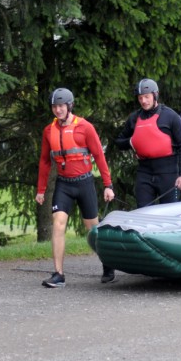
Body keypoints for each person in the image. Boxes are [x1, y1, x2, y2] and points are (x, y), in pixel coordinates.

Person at [36, 88, 116, 288]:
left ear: (69, 106)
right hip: (63, 184)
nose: (58, 110)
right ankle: (58, 274)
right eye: (54, 107)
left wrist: (108, 185)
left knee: (93, 230)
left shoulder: (85, 127)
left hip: (84, 183)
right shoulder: (48, 131)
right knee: (58, 223)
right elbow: (45, 161)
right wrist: (41, 190)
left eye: (61, 106)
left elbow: (99, 155)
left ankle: (108, 264)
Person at [115, 78, 181, 207]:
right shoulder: (134, 118)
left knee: (169, 212)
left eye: (147, 97)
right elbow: (119, 142)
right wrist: (131, 142)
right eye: (140, 98)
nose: (143, 101)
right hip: (144, 172)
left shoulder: (171, 116)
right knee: (143, 211)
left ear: (155, 95)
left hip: (168, 173)